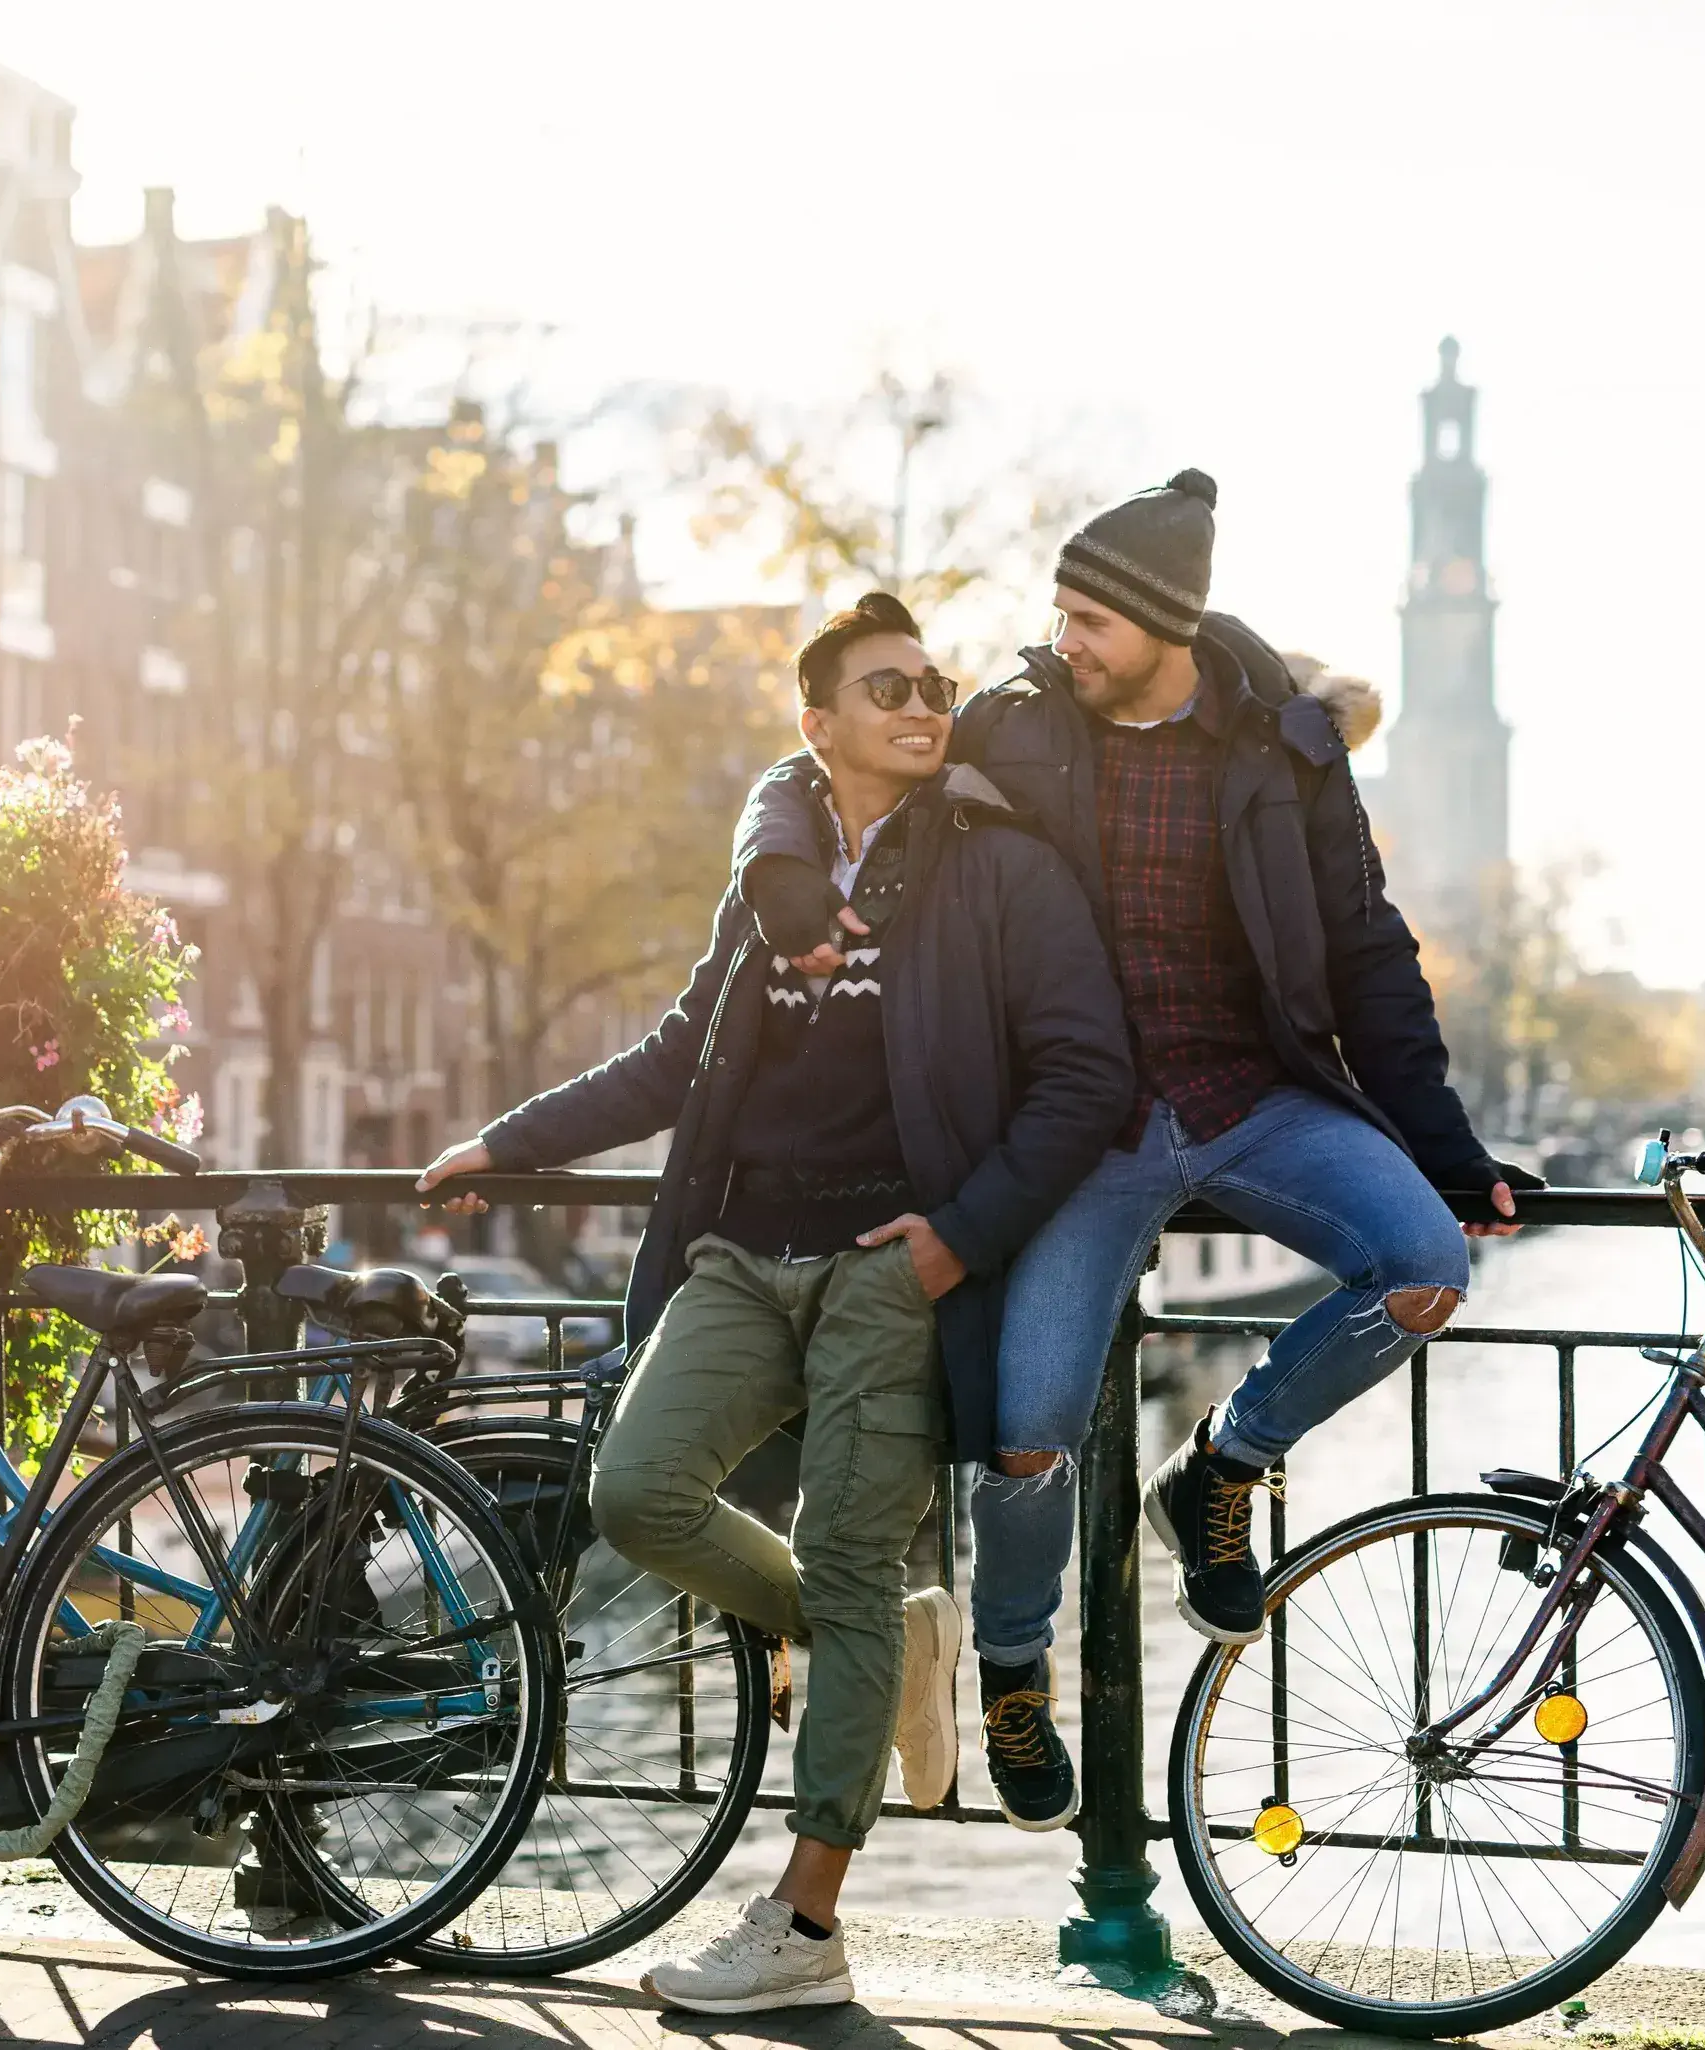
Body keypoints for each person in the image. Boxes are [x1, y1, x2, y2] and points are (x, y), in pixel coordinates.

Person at [734, 472, 1535, 1836]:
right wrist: (782, 871)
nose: (1065, 637)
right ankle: (1010, 1675)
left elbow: (1367, 951)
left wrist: (1449, 1148)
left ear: (1167, 624)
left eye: (1090, 616)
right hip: (1080, 1131)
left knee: (1420, 1262)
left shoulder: (1280, 746)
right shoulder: (1020, 724)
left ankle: (1219, 1465)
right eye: (1061, 610)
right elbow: (822, 762)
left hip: (1252, 1098)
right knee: (1028, 1438)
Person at [418, 592, 1130, 2015]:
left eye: (933, 684)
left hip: (893, 1267)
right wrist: (512, 1139)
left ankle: (805, 1924)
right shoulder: (773, 874)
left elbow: (1087, 1077)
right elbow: (679, 1052)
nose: (925, 705)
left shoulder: (1002, 869)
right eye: (887, 689)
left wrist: (957, 1237)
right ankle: (880, 1638)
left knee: (851, 1563)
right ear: (818, 725)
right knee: (637, 1490)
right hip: (741, 1253)